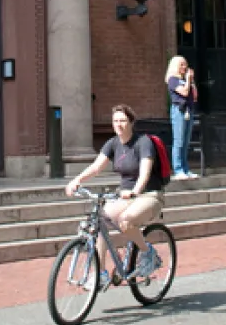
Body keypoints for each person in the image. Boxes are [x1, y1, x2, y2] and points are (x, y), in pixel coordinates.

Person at [65, 104, 164, 289]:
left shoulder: (143, 142)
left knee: (126, 221)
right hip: (125, 197)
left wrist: (135, 191)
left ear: (131, 122)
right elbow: (96, 167)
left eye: (123, 121)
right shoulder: (113, 143)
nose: (119, 124)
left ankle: (147, 252)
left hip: (149, 195)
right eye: (115, 121)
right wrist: (76, 180)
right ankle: (101, 273)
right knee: (100, 219)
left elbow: (145, 173)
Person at [165, 56, 199, 179]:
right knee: (179, 141)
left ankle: (186, 169)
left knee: (186, 141)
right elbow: (184, 92)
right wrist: (188, 80)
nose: (185, 67)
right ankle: (178, 169)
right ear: (175, 66)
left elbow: (194, 96)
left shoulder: (185, 80)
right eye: (182, 65)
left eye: (185, 64)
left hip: (189, 110)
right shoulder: (172, 80)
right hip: (179, 110)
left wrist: (192, 81)